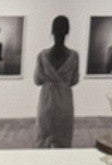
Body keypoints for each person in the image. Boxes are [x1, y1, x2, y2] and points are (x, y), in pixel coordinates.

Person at [34, 15, 80, 148]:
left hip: (46, 100)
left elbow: (37, 80)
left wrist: (50, 80)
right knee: (63, 140)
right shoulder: (74, 56)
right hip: (64, 101)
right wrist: (62, 82)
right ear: (67, 31)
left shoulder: (42, 55)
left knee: (43, 139)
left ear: (52, 31)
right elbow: (74, 80)